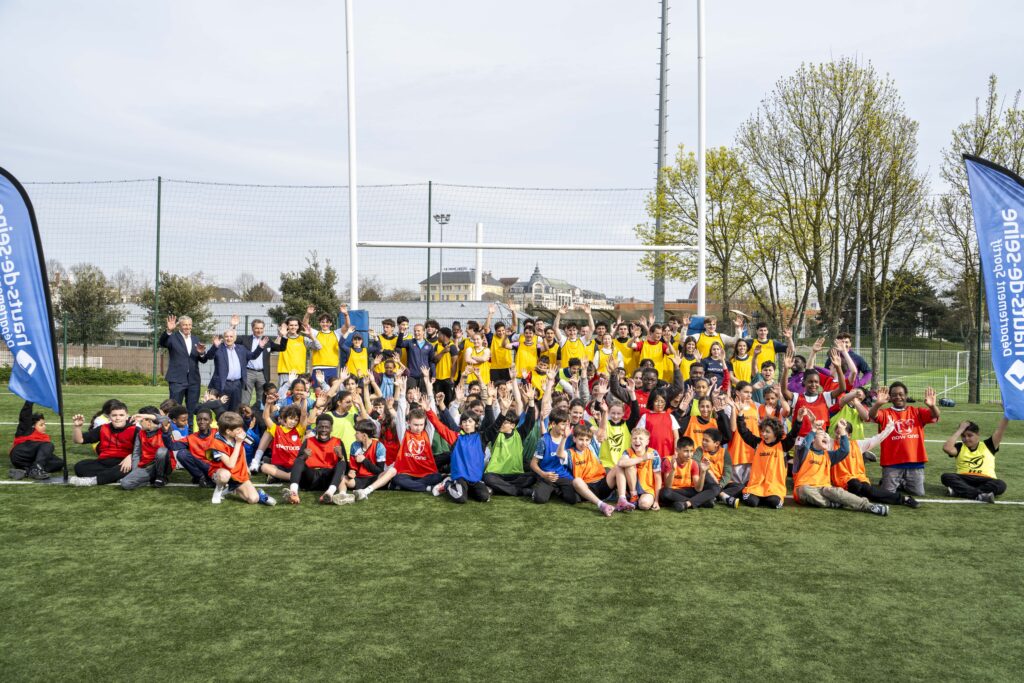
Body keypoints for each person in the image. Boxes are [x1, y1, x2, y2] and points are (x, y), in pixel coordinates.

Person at [791, 421, 890, 516]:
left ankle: (869, 506)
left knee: (837, 491)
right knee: (804, 490)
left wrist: (842, 431)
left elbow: (845, 450)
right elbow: (804, 446)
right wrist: (813, 429)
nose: (825, 436)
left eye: (826, 435)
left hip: (824, 489)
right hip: (806, 489)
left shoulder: (828, 455)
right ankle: (830, 503)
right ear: (813, 439)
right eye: (821, 434)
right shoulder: (804, 454)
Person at [726, 396, 804, 509]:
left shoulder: (783, 445)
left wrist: (799, 419)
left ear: (775, 433)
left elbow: (793, 434)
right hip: (756, 486)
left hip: (774, 487)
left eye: (767, 432)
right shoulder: (758, 443)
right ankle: (755, 495)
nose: (763, 434)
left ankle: (766, 497)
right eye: (762, 431)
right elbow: (744, 432)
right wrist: (741, 414)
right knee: (752, 502)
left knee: (774, 503)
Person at [867, 382, 940, 498]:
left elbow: (935, 415)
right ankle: (891, 481)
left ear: (906, 395)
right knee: (888, 493)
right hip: (892, 463)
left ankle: (901, 482)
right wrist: (877, 404)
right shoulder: (885, 413)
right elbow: (871, 415)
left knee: (918, 493)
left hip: (915, 461)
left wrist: (932, 406)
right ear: (890, 397)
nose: (898, 397)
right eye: (894, 395)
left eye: (901, 394)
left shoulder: (917, 411)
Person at [829, 419, 919, 508]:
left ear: (849, 435)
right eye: (837, 433)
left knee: (867, 489)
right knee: (856, 485)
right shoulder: (831, 444)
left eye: (841, 433)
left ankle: (904, 499)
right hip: (842, 481)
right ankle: (901, 499)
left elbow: (876, 439)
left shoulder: (857, 444)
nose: (838, 436)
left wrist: (889, 428)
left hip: (860, 478)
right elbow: (822, 438)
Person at [207, 411, 276, 506]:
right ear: (228, 431)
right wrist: (238, 443)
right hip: (221, 471)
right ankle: (218, 490)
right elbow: (230, 464)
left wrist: (246, 467)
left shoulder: (237, 435)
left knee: (253, 499)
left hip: (237, 472)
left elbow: (242, 449)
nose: (241, 431)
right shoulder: (217, 442)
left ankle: (231, 489)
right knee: (224, 475)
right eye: (238, 429)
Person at [282, 413, 353, 505]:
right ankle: (293, 492)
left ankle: (329, 493)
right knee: (299, 460)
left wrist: (340, 456)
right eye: (321, 427)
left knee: (342, 462)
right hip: (310, 478)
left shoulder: (338, 442)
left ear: (331, 428)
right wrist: (304, 456)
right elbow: (297, 463)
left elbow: (345, 468)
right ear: (316, 427)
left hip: (328, 479)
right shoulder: (308, 441)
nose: (324, 430)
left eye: (326, 427)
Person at [564, 423, 632, 516]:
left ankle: (622, 499)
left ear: (590, 440)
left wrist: (604, 414)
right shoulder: (569, 452)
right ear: (574, 439)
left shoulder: (592, 447)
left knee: (618, 467)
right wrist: (564, 438)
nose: (584, 443)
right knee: (576, 481)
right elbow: (559, 454)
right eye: (581, 439)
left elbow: (602, 431)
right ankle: (602, 505)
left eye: (587, 440)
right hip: (587, 488)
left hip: (602, 483)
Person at [69, 401, 139, 486]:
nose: (118, 418)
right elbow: (79, 440)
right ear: (109, 417)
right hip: (104, 462)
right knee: (80, 467)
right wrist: (77, 427)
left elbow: (144, 448)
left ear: (127, 416)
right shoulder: (103, 428)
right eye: (114, 415)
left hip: (123, 462)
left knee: (130, 468)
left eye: (121, 415)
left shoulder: (135, 430)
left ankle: (93, 481)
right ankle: (113, 476)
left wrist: (131, 456)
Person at [941, 418, 1009, 503]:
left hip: (986, 480)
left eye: (970, 435)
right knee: (946, 477)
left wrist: (1006, 416)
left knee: (1001, 484)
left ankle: (959, 492)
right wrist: (960, 429)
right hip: (964, 478)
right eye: (963, 436)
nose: (966, 439)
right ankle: (979, 495)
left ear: (978, 435)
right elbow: (947, 448)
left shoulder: (989, 445)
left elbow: (1000, 430)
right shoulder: (960, 446)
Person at [202, 328, 266, 411]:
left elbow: (252, 356)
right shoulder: (219, 348)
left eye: (231, 336)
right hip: (223, 384)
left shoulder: (241, 348)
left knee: (235, 409)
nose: (229, 338)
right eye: (226, 336)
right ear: (223, 338)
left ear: (235, 338)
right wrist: (215, 346)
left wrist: (260, 347)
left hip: (237, 384)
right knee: (222, 409)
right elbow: (209, 356)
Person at [159, 315, 207, 418]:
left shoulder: (195, 339)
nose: (187, 327)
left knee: (192, 408)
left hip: (193, 380)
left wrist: (201, 353)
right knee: (175, 408)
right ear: (179, 326)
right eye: (185, 325)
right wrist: (168, 331)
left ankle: (190, 428)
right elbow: (162, 342)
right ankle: (174, 427)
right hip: (177, 380)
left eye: (189, 325)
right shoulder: (172, 337)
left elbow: (203, 360)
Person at [530, 409, 579, 505]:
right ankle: (542, 488)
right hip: (548, 477)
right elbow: (533, 463)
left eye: (567, 424)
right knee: (539, 499)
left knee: (573, 499)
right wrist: (543, 474)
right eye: (563, 424)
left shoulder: (570, 439)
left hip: (564, 476)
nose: (566, 428)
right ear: (553, 424)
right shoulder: (543, 440)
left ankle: (556, 490)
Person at [120, 407, 174, 490]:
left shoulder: (164, 429)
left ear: (149, 421)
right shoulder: (140, 434)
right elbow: (136, 453)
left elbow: (167, 419)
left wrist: (145, 415)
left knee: (161, 451)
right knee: (125, 483)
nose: (139, 423)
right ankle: (153, 480)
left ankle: (161, 477)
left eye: (141, 420)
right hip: (148, 467)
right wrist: (135, 471)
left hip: (165, 465)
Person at [659, 436, 717, 511]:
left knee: (714, 487)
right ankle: (702, 502)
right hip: (673, 491)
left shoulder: (693, 463)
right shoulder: (668, 461)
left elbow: (698, 489)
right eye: (686, 451)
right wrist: (673, 470)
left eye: (691, 451)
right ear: (677, 450)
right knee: (665, 492)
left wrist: (703, 472)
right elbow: (668, 486)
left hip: (687, 491)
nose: (689, 454)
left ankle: (686, 504)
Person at [8, 401, 62, 480]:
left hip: (28, 461)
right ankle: (36, 469)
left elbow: (43, 455)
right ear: (33, 426)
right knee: (48, 445)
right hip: (19, 454)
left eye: (44, 424)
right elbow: (25, 415)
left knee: (59, 463)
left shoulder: (43, 438)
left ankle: (27, 472)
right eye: (41, 425)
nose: (44, 427)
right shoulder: (27, 430)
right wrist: (30, 400)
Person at [616, 427, 662, 510]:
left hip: (647, 489)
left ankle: (637, 500)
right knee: (629, 464)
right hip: (631, 489)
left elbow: (658, 478)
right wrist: (643, 458)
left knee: (644, 505)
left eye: (641, 438)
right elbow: (621, 463)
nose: (637, 440)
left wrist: (656, 501)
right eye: (634, 438)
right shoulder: (628, 452)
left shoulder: (653, 453)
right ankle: (633, 496)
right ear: (631, 440)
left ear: (647, 442)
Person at [237, 318, 279, 408]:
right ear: (252, 328)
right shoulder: (245, 339)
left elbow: (281, 348)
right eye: (257, 328)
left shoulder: (267, 340)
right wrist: (233, 326)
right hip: (248, 372)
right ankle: (244, 415)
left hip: (262, 374)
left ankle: (260, 414)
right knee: (245, 399)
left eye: (261, 328)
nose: (259, 330)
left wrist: (283, 336)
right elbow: (232, 339)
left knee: (262, 399)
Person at [274, 316, 321, 386]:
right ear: (287, 326)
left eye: (296, 325)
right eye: (291, 325)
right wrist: (280, 335)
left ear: (298, 326)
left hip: (299, 374)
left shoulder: (303, 339)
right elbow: (274, 349)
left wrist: (311, 335)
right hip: (285, 373)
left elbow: (318, 347)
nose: (293, 327)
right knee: (283, 393)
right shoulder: (283, 339)